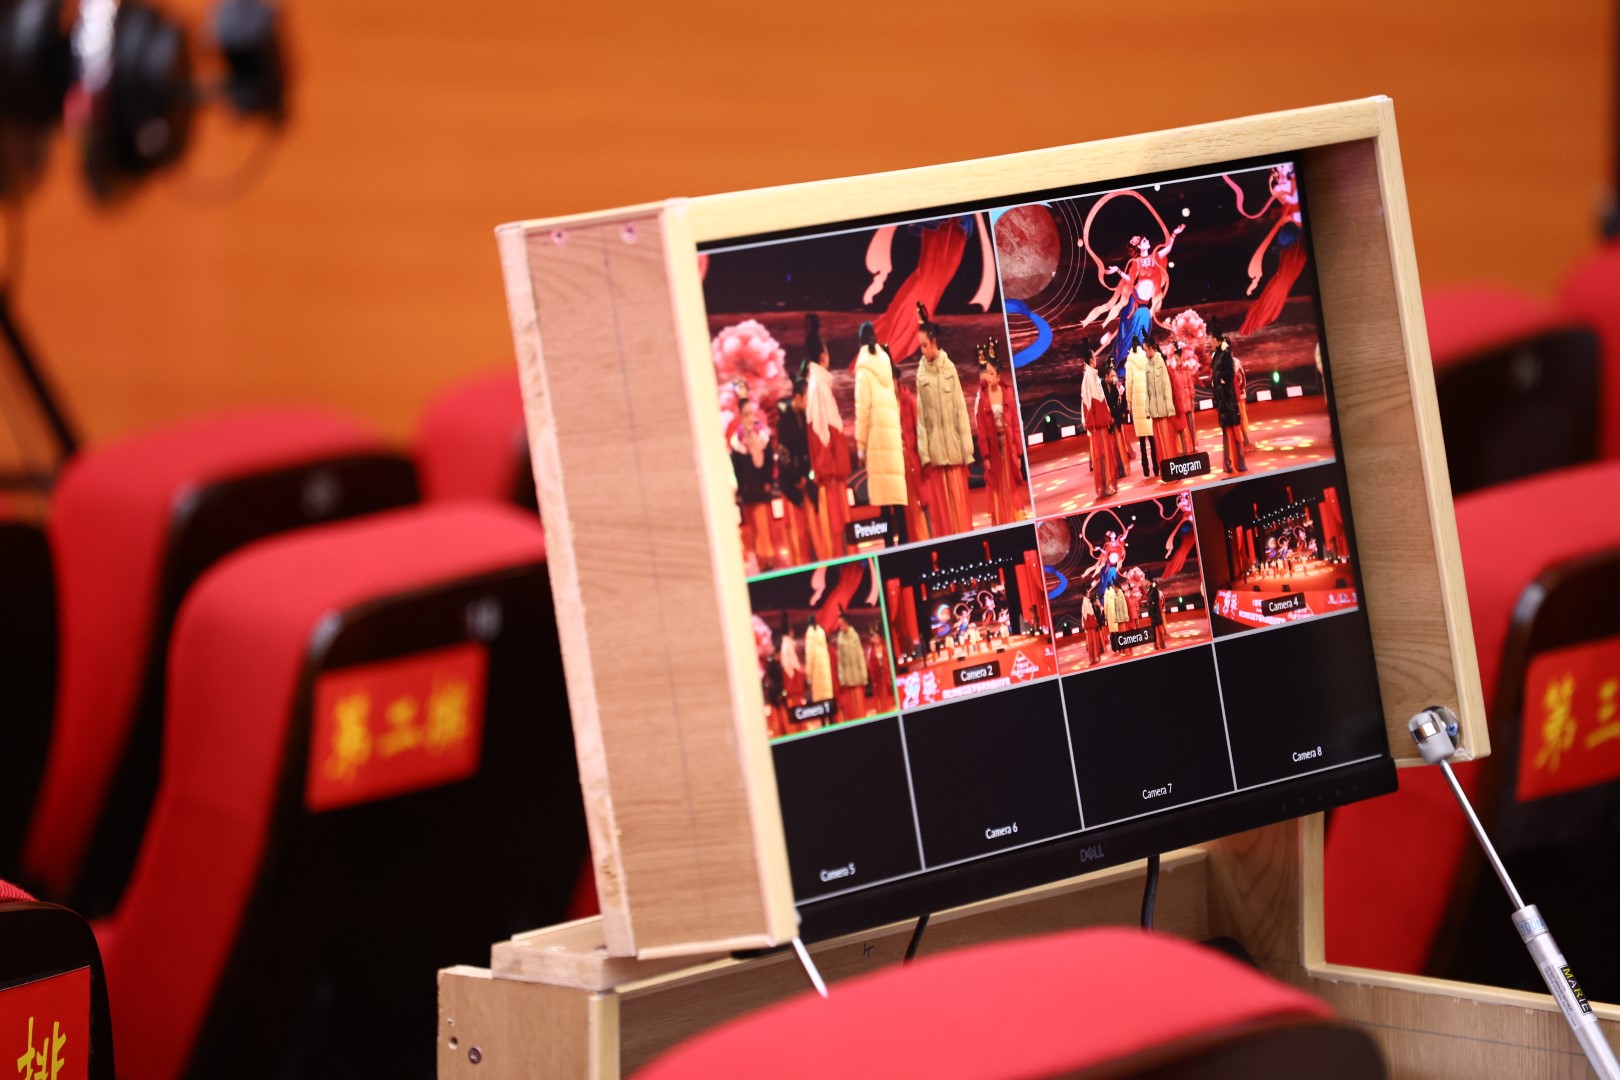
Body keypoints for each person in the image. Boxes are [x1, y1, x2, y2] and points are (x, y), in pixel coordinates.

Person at [914, 304, 975, 536]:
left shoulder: (949, 368)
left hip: (954, 449)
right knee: (943, 514)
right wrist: (924, 455)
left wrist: (967, 450)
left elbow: (960, 409)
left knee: (960, 506)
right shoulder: (921, 374)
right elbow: (921, 419)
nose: (922, 350)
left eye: (924, 345)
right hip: (936, 453)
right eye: (920, 346)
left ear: (933, 342)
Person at [853, 322, 908, 546]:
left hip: (876, 437)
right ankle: (905, 539)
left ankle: (888, 543)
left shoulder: (864, 367)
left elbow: (862, 408)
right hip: (891, 437)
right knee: (896, 492)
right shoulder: (886, 362)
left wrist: (860, 443)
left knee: (884, 498)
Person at [803, 314, 852, 556]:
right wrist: (829, 471)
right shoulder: (818, 386)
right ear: (823, 356)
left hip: (833, 472)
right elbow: (820, 434)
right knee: (837, 530)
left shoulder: (819, 384)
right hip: (831, 476)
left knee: (842, 529)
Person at [974, 340, 1026, 523]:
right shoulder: (983, 398)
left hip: (1008, 446)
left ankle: (1013, 516)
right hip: (994, 450)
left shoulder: (1008, 394)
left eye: (991, 373)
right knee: (997, 483)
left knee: (1010, 482)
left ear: (998, 376)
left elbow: (1015, 425)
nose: (988, 377)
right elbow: (981, 430)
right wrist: (986, 456)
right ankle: (1001, 517)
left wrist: (1018, 452)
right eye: (986, 373)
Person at [728, 392, 776, 572]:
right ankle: (761, 562)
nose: (750, 418)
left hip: (762, 489)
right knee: (754, 529)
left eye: (751, 413)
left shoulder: (762, 436)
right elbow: (737, 468)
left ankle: (768, 560)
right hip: (748, 492)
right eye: (746, 414)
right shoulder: (737, 441)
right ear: (740, 416)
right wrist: (741, 488)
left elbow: (769, 461)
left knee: (764, 527)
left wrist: (768, 481)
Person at [775, 375, 820, 565]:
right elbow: (784, 456)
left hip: (806, 483)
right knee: (799, 533)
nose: (808, 401)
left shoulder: (804, 418)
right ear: (797, 397)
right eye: (806, 397)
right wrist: (797, 478)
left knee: (813, 530)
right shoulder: (784, 422)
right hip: (792, 486)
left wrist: (807, 475)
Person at [892, 353, 931, 543]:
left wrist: (924, 459)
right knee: (905, 510)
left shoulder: (908, 400)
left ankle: (923, 541)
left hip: (911, 459)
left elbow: (919, 431)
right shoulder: (886, 405)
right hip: (897, 463)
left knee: (918, 505)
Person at [1081, 351, 1118, 498]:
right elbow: (1088, 403)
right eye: (1094, 357)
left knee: (1104, 454)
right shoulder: (1088, 377)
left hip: (1100, 423)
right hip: (1097, 424)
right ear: (1091, 360)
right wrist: (1091, 422)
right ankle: (1105, 486)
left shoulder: (1093, 376)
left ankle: (1107, 485)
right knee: (1101, 455)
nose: (1096, 360)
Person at [1211, 331, 1249, 475]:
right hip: (1223, 402)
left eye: (1212, 339)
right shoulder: (1217, 356)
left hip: (1229, 400)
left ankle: (1237, 462)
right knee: (1227, 433)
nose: (1210, 342)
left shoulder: (1226, 356)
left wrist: (1222, 382)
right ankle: (1229, 462)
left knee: (1234, 432)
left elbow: (1230, 377)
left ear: (1217, 341)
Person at [1143, 340, 1178, 476]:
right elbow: (1146, 391)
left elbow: (1167, 386)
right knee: (1159, 443)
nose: (1145, 352)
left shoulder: (1160, 362)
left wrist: (1169, 409)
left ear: (1151, 348)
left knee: (1167, 440)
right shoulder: (1146, 365)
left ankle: (1172, 469)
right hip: (1154, 413)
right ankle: (1165, 471)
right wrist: (1147, 410)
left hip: (1163, 411)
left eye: (1145, 349)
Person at [834, 613, 869, 722]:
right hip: (847, 680)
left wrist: (864, 676)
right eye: (839, 625)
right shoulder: (840, 639)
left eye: (841, 624)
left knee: (860, 705)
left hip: (857, 677)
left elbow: (860, 656)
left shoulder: (854, 636)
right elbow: (840, 661)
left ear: (846, 623)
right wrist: (842, 678)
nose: (840, 627)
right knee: (851, 708)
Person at [1167, 341, 1198, 456]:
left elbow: (1191, 385)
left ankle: (1194, 445)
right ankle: (1185, 447)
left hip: (1188, 401)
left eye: (1177, 359)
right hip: (1180, 403)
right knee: (1182, 427)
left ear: (1181, 358)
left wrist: (1192, 398)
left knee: (1191, 425)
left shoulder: (1186, 370)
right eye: (1174, 360)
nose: (1176, 362)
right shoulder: (1174, 372)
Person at [804, 618, 833, 712]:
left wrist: (808, 675)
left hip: (817, 672)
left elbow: (810, 657)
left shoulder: (810, 636)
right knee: (828, 698)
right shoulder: (821, 633)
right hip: (825, 671)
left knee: (820, 703)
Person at [865, 627, 892, 713]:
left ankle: (888, 708)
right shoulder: (871, 650)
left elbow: (888, 661)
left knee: (887, 693)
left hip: (885, 673)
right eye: (874, 638)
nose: (875, 639)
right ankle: (881, 709)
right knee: (879, 694)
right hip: (877, 675)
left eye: (876, 637)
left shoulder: (885, 647)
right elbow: (870, 664)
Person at [1081, 593, 1102, 664]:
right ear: (1086, 594)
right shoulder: (1086, 604)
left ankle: (1093, 658)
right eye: (1088, 592)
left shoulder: (1086, 603)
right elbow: (1089, 616)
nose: (1089, 594)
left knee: (1092, 643)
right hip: (1091, 627)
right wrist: (1095, 624)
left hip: (1090, 626)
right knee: (1093, 642)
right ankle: (1094, 657)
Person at [1145, 580, 1165, 650]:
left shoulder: (1156, 591)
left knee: (1159, 627)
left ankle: (1162, 643)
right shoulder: (1150, 590)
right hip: (1153, 612)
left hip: (1156, 612)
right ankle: (1156, 644)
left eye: (1147, 581)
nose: (1146, 583)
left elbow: (1156, 601)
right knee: (1154, 628)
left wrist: (1152, 602)